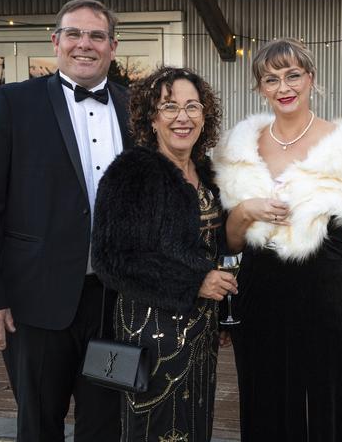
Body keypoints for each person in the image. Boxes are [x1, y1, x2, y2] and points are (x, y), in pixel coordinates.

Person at [0, 0, 128, 441]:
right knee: (38, 424)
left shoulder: (134, 108)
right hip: (34, 304)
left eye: (96, 35)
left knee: (107, 425)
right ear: (55, 41)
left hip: (114, 307)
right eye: (73, 33)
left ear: (113, 46)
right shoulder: (11, 103)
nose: (84, 44)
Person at [213, 38, 342, 441]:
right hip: (258, 299)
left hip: (325, 299)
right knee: (262, 405)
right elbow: (232, 242)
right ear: (260, 88)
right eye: (271, 79)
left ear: (310, 78)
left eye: (293, 75)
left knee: (321, 410)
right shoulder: (239, 148)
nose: (284, 87)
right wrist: (245, 211)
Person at [91, 66, 236, 442]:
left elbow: (207, 248)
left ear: (206, 116)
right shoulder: (132, 172)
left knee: (195, 421)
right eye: (169, 107)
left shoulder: (206, 173)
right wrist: (195, 282)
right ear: (150, 118)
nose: (182, 117)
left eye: (192, 107)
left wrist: (219, 310)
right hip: (151, 331)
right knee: (156, 428)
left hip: (200, 328)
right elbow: (113, 258)